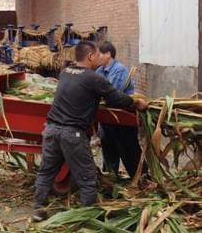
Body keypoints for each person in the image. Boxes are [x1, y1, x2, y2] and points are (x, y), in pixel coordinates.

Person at [33, 41, 147, 221]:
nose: (98, 57)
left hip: (51, 130)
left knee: (46, 172)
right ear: (90, 57)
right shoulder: (94, 78)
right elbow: (116, 99)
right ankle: (90, 218)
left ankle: (38, 209)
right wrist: (137, 103)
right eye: (96, 54)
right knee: (87, 177)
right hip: (72, 133)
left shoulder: (65, 73)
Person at [96, 41, 145, 178]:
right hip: (107, 118)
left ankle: (142, 178)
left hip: (123, 117)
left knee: (128, 149)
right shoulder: (99, 71)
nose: (97, 57)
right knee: (108, 148)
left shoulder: (119, 69)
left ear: (108, 54)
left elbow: (113, 93)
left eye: (99, 54)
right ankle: (111, 178)